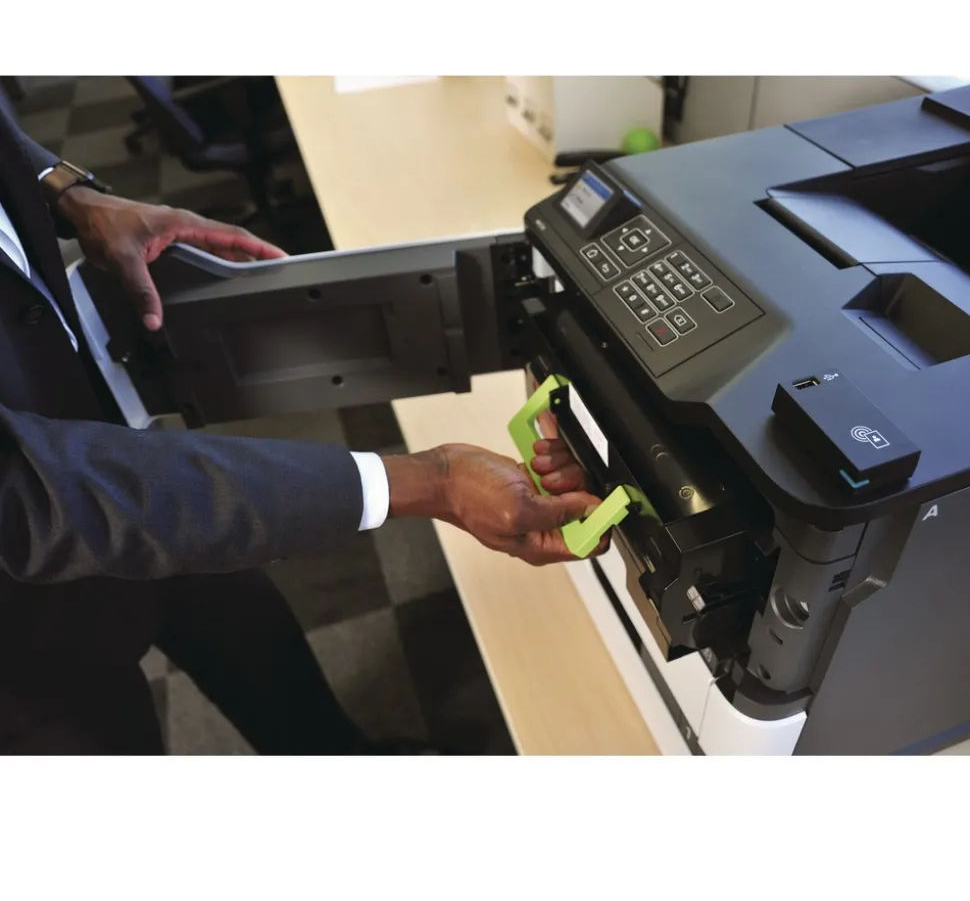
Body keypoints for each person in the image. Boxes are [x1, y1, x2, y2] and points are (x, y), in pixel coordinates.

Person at [0, 87, 602, 755]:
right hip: (21, 616)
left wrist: (64, 190)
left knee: (255, 639)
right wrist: (431, 480)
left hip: (119, 448)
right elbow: (29, 490)